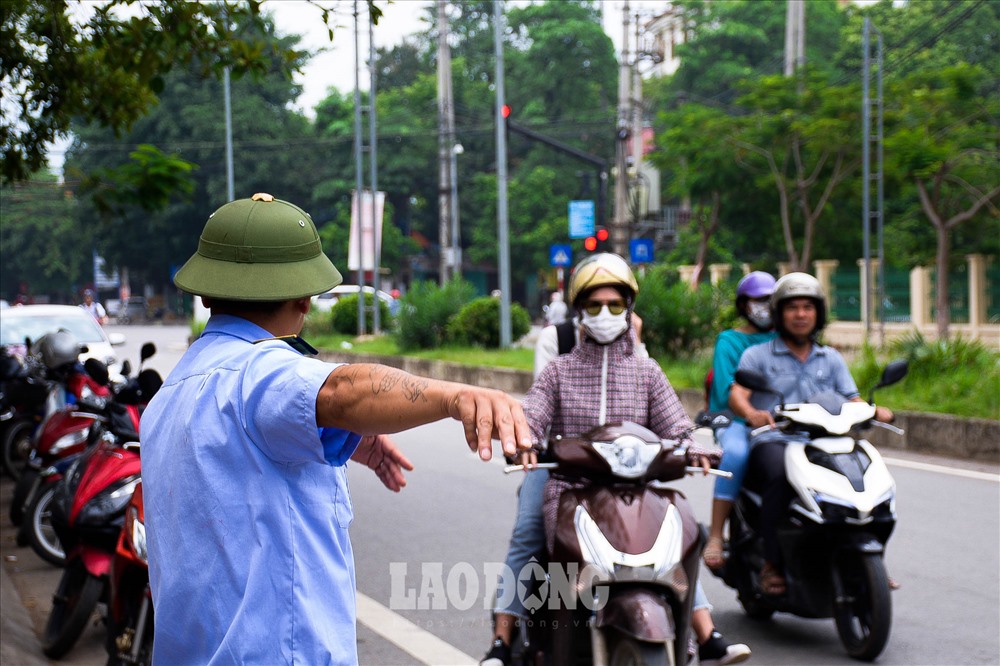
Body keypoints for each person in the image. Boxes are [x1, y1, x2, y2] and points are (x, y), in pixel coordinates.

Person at [140, 193, 532, 665]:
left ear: (204, 294)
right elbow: (341, 391)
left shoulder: (171, 395)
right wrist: (454, 396)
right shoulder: (259, 372)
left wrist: (343, 435)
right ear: (306, 297)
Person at [481, 253, 750, 666]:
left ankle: (706, 633)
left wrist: (696, 448)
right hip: (566, 480)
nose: (605, 314)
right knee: (528, 533)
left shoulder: (647, 372)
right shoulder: (559, 370)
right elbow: (532, 414)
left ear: (629, 310)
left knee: (677, 540)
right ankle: (502, 639)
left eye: (615, 305)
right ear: (579, 311)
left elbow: (677, 426)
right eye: (594, 305)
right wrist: (526, 441)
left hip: (634, 486)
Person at [729, 272, 894, 596]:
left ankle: (871, 558)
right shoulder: (758, 355)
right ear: (779, 313)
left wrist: (875, 410)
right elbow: (737, 393)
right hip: (776, 440)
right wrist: (751, 414)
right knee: (779, 476)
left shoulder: (830, 358)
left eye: (808, 307)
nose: (801, 314)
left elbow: (852, 398)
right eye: (793, 308)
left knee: (871, 481)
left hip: (827, 442)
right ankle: (771, 565)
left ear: (817, 313)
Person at [703, 271, 777, 570]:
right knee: (736, 454)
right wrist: (750, 414)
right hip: (734, 419)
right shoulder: (730, 341)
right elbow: (725, 389)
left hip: (779, 421)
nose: (765, 306)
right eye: (758, 301)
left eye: (770, 300)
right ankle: (717, 534)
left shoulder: (786, 338)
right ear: (744, 305)